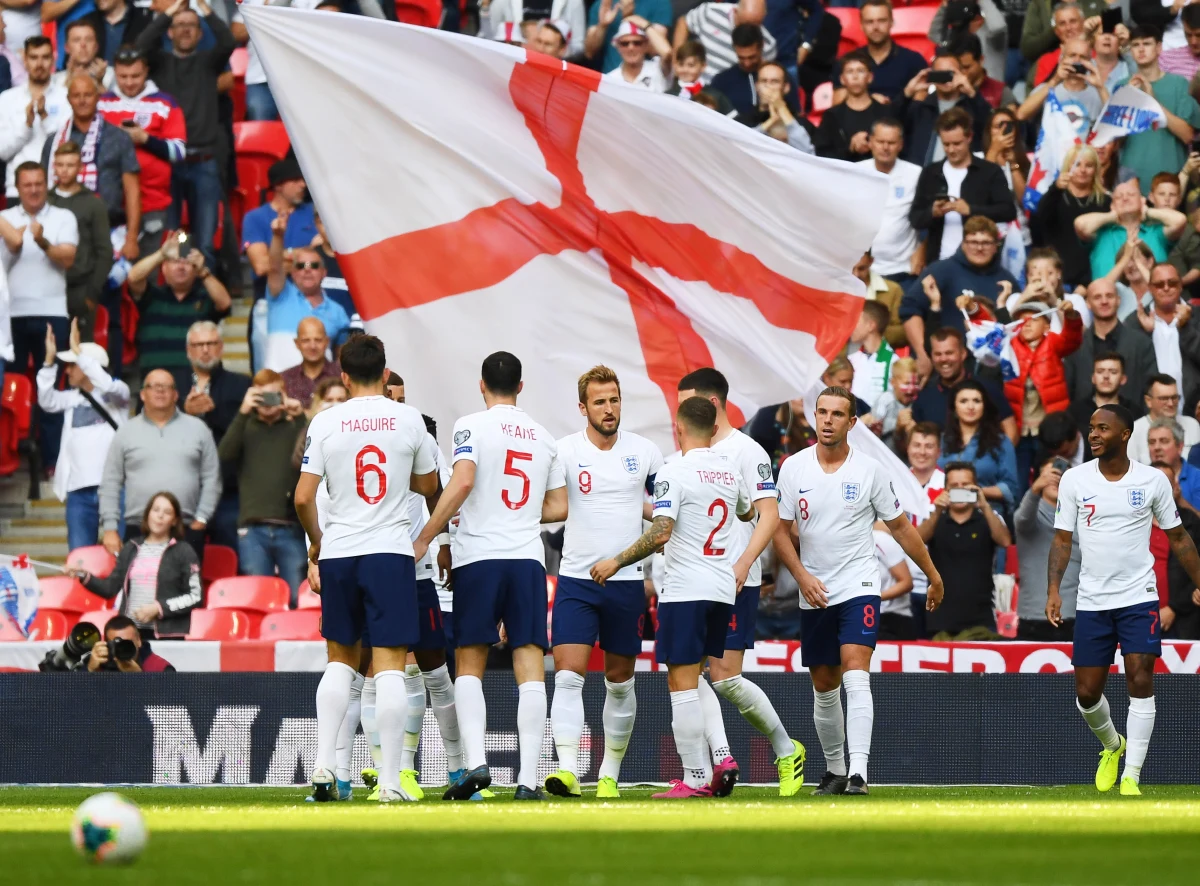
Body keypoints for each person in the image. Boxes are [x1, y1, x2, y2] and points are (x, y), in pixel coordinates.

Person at [773, 385, 942, 796]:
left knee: (856, 672)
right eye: (822, 412)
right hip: (813, 589)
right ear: (814, 417)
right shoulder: (794, 468)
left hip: (859, 585)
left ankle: (860, 772)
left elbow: (902, 528)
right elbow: (778, 532)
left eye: (837, 414)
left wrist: (933, 575)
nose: (828, 420)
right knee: (824, 684)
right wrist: (802, 578)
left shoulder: (870, 471)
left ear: (852, 423)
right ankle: (834, 770)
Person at [412, 351, 566, 802]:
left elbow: (460, 482)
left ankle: (476, 763)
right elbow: (559, 507)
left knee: (471, 659)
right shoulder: (543, 436)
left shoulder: (470, 426)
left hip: (479, 555)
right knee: (530, 662)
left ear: (482, 385)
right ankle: (529, 779)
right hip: (526, 559)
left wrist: (428, 534)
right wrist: (516, 512)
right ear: (521, 386)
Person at [295, 333, 438, 804]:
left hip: (340, 551)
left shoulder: (326, 421)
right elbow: (427, 483)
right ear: (384, 370)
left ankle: (323, 763)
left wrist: (318, 542)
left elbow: (301, 496)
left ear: (343, 373)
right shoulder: (409, 419)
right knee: (391, 668)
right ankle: (391, 781)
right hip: (390, 551)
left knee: (340, 662)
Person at [590, 396, 752, 799]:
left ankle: (695, 777)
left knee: (680, 685)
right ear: (715, 429)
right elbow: (748, 513)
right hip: (721, 586)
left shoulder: (672, 471)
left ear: (677, 428)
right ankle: (722, 756)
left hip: (685, 589)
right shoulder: (731, 469)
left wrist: (616, 561)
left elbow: (661, 530)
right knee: (697, 678)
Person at [1048, 403, 1200, 795]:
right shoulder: (1075, 480)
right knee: (1086, 694)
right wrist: (1053, 590)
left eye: (1102, 428)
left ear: (1125, 435)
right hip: (1092, 600)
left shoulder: (1151, 481)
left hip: (1139, 597)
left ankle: (1131, 775)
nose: (1094, 434)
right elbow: (1062, 540)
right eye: (1092, 427)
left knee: (1140, 676)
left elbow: (1179, 537)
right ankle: (1114, 746)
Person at [674, 367, 803, 796]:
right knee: (689, 675)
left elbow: (768, 514)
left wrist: (746, 562)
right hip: (695, 580)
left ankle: (786, 750)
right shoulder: (688, 455)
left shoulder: (747, 452)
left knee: (725, 677)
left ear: (710, 404)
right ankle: (720, 760)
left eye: (686, 403)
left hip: (733, 580)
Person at [541, 365, 664, 800]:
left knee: (619, 681)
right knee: (568, 677)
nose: (609, 409)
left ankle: (609, 774)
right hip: (576, 579)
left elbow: (663, 511)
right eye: (599, 401)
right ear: (582, 407)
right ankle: (569, 769)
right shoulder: (562, 452)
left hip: (627, 581)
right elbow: (547, 504)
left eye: (614, 400)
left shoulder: (646, 452)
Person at [136, 0, 235, 268]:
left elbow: (227, 42)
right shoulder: (160, 63)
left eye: (192, 26)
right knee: (174, 238)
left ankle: (206, 298)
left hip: (204, 163)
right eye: (179, 25)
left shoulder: (208, 62)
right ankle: (178, 295)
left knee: (204, 241)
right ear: (170, 31)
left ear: (200, 33)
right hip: (170, 165)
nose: (186, 30)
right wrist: (170, 12)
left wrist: (202, 7)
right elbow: (141, 45)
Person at [99, 368, 220, 556]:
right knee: (139, 585)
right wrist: (109, 528)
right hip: (138, 528)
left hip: (186, 528)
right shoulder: (126, 432)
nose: (160, 390)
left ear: (175, 394)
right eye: (153, 386)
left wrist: (201, 519)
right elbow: (110, 482)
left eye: (166, 386)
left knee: (187, 586)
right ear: (142, 395)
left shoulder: (198, 429)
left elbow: (212, 477)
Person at [217, 369, 307, 606]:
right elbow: (224, 454)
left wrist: (299, 416)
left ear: (285, 396)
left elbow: (312, 451)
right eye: (262, 397)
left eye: (274, 396)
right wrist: (243, 411)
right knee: (258, 598)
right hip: (252, 529)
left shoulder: (293, 426)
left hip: (291, 527)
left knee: (298, 596)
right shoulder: (245, 427)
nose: (268, 403)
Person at [37, 318, 129, 551]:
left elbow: (108, 386)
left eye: (73, 365)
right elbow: (46, 400)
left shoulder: (118, 395)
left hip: (115, 488)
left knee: (120, 555)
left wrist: (82, 356)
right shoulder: (71, 397)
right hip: (78, 492)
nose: (67, 370)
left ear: (90, 366)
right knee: (80, 557)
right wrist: (48, 363)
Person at [97, 45, 187, 259]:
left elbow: (180, 152)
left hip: (154, 203)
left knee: (155, 267)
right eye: (123, 76)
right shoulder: (102, 104)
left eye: (135, 76)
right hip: (110, 205)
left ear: (146, 71)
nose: (129, 82)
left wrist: (144, 139)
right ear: (114, 72)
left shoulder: (165, 103)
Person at [72, 491, 201, 637]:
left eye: (167, 512)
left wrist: (158, 608)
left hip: (167, 636)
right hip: (131, 634)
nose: (160, 516)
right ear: (147, 515)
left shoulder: (184, 551)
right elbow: (110, 588)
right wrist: (83, 575)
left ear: (174, 520)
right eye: (156, 510)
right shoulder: (131, 547)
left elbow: (195, 596)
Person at [41, 73, 140, 261]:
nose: (82, 101)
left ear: (97, 97)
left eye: (87, 95)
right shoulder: (54, 141)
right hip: (63, 235)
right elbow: (44, 189)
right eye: (76, 96)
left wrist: (132, 238)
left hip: (110, 232)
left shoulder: (119, 138)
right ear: (69, 99)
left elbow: (132, 191)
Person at [0, 161, 77, 380]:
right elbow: (14, 244)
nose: (34, 190)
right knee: (10, 386)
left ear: (47, 184)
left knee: (51, 385)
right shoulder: (5, 218)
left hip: (52, 314)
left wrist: (42, 241)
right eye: (27, 185)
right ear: (17, 188)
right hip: (10, 316)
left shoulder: (64, 217)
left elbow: (68, 259)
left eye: (39, 184)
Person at [901, 216, 1020, 356]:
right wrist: (923, 355)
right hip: (947, 363)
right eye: (973, 242)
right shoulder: (940, 271)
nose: (979, 248)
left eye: (986, 243)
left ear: (996, 246)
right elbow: (909, 310)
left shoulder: (1007, 280)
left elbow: (1017, 326)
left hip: (992, 363)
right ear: (963, 244)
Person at [909, 110, 1016, 264]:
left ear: (969, 137)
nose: (951, 150)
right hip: (939, 261)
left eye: (957, 143)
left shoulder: (989, 172)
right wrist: (932, 212)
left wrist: (970, 210)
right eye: (946, 144)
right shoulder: (930, 173)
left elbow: (1008, 211)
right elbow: (915, 218)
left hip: (980, 263)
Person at [919, 460, 1011, 637]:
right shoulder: (935, 519)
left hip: (980, 619)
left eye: (966, 485)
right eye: (954, 485)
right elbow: (917, 540)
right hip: (939, 619)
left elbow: (1005, 541)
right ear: (945, 490)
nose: (960, 489)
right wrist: (937, 511)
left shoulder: (987, 518)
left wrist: (984, 505)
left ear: (976, 487)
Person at [126, 229, 231, 378]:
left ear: (194, 269)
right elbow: (133, 278)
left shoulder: (205, 296)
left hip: (199, 382)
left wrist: (203, 272)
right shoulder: (152, 295)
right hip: (156, 385)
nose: (181, 267)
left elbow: (225, 303)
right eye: (175, 262)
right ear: (164, 268)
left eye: (187, 263)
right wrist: (161, 254)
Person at [1005, 300, 1083, 489]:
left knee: (1054, 478)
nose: (1027, 323)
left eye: (1033, 319)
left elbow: (1072, 339)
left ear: (1047, 325)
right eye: (1021, 320)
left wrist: (1071, 317)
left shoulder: (1053, 342)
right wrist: (973, 309)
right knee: (1021, 480)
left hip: (1049, 429)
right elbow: (988, 330)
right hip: (1020, 429)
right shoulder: (1009, 346)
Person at [1120, 26, 1200, 198]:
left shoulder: (1179, 84)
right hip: (1131, 182)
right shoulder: (1121, 86)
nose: (1141, 49)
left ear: (1159, 48)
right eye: (1135, 45)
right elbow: (1113, 142)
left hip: (1171, 183)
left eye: (1146, 43)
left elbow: (1187, 135)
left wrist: (1153, 102)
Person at [265, 217, 351, 372]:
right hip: (278, 388)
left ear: (324, 273)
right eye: (301, 265)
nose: (307, 270)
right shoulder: (279, 296)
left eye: (314, 265)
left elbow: (341, 360)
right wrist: (278, 236)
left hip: (322, 390)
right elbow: (275, 268)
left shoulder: (338, 312)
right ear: (292, 272)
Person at [47, 140, 110, 342]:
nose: (64, 171)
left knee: (81, 355)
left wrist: (92, 294)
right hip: (47, 288)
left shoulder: (93, 203)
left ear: (80, 168)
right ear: (54, 167)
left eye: (70, 165)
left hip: (80, 289)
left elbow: (104, 252)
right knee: (49, 351)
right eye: (60, 165)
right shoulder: (43, 201)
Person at [1064, 279, 1158, 407]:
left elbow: (1151, 391)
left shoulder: (1141, 344)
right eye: (1097, 297)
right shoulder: (1075, 346)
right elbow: (1068, 393)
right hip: (1085, 423)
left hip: (1132, 422)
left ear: (1118, 300)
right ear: (1088, 303)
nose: (1104, 301)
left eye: (1109, 296)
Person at [1015, 455, 1081, 640]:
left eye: (1063, 476)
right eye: (1050, 473)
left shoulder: (1083, 519)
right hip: (1033, 617)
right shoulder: (1030, 514)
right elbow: (1022, 520)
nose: (1056, 478)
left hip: (1075, 616)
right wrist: (1035, 488)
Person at [911, 327, 1018, 439]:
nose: (943, 359)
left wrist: (1002, 456)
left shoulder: (987, 389)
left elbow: (1011, 431)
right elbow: (915, 442)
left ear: (963, 354)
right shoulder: (924, 397)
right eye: (938, 354)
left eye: (949, 353)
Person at [1075, 177, 1187, 281]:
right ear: (1112, 206)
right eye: (1119, 197)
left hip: (1151, 299)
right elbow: (1081, 225)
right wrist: (1111, 216)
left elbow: (1180, 220)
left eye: (1131, 195)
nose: (1125, 198)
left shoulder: (1156, 232)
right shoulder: (1101, 234)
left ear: (1143, 201)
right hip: (1107, 299)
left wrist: (1147, 212)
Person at [1030, 144, 1111, 288]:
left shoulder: (1105, 202)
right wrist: (1055, 189)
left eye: (1089, 165)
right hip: (1057, 279)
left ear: (1096, 170)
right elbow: (1039, 219)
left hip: (1094, 279)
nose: (1083, 170)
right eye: (1077, 164)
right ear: (1068, 167)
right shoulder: (1055, 197)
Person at [0, 36, 69, 202]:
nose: (39, 64)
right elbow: (2, 151)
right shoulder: (7, 98)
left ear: (54, 59)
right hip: (17, 190)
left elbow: (67, 147)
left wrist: (45, 118)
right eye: (34, 57)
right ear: (24, 59)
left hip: (56, 188)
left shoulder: (66, 97)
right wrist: (26, 125)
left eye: (45, 57)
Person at [1124, 262, 1200, 413]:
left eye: (1172, 283)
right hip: (1151, 412)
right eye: (1159, 284)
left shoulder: (1197, 315)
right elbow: (1129, 367)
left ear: (1180, 286)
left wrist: (1186, 328)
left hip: (1194, 409)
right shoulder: (1135, 321)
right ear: (1150, 288)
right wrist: (1145, 334)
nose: (1166, 288)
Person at [897, 52, 992, 167]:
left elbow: (991, 126)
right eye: (940, 74)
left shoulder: (973, 107)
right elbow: (890, 123)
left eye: (950, 73)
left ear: (962, 74)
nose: (946, 79)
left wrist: (972, 93)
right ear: (932, 75)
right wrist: (907, 93)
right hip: (923, 177)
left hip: (963, 176)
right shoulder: (920, 108)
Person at [939, 378, 1020, 512]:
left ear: (984, 406)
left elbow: (1011, 489)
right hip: (946, 514)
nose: (971, 407)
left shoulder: (1001, 442)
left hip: (988, 514)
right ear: (954, 407)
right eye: (964, 401)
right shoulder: (942, 441)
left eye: (976, 401)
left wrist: (977, 492)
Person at [241, 154, 317, 297]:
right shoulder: (255, 218)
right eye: (295, 180)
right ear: (278, 185)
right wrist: (310, 251)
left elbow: (326, 258)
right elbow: (261, 266)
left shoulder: (314, 212)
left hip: (311, 301)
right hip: (269, 302)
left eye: (303, 179)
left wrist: (277, 259)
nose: (303, 185)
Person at [859, 119, 923, 285]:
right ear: (871, 141)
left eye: (891, 143)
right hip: (862, 270)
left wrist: (923, 249)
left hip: (902, 270)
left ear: (900, 145)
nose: (885, 147)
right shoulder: (855, 172)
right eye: (880, 142)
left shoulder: (916, 175)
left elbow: (927, 217)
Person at [830, 0, 926, 104]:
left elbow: (920, 109)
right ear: (861, 26)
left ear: (891, 22)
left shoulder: (914, 61)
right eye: (869, 22)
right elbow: (837, 105)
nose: (875, 27)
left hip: (901, 119)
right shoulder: (847, 62)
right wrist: (869, 100)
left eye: (882, 21)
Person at [710, 23, 801, 123]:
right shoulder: (721, 81)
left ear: (761, 46)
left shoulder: (779, 77)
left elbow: (796, 115)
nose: (747, 63)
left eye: (752, 57)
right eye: (741, 58)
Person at [676, 0, 776, 82]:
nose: (748, 30)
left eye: (755, 25)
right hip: (693, 79)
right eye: (745, 23)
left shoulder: (768, 46)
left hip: (728, 91)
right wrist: (676, 61)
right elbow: (684, 22)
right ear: (736, 11)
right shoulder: (711, 11)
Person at [814, 51, 885, 162]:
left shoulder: (884, 112)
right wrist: (849, 149)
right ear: (842, 79)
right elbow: (822, 153)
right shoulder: (831, 116)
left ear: (870, 77)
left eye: (860, 71)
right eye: (850, 71)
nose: (855, 76)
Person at [1068, 353, 1143, 447]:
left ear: (1123, 379)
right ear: (1093, 378)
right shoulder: (1076, 411)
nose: (1106, 376)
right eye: (1100, 371)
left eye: (1113, 372)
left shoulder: (1134, 412)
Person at [1129, 374, 1200, 462]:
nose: (1170, 403)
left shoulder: (1192, 425)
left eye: (1174, 397)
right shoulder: (1134, 430)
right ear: (1148, 401)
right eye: (1164, 398)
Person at [751, 61, 815, 151]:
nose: (768, 86)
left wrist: (781, 108)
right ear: (757, 86)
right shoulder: (743, 122)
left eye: (774, 82)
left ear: (786, 88)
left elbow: (809, 153)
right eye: (764, 81)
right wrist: (771, 121)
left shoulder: (802, 124)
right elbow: (740, 147)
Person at [281, 316, 341, 409]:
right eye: (306, 340)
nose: (312, 346)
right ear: (297, 343)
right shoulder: (284, 379)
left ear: (326, 342)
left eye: (318, 340)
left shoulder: (342, 375)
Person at [847, 300, 898, 407]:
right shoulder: (851, 358)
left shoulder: (894, 362)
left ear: (871, 325)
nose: (851, 326)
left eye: (856, 320)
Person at [81, 614, 175, 672]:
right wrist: (89, 670)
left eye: (127, 643)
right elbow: (73, 700)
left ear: (139, 640)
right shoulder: (99, 665)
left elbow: (168, 703)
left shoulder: (160, 668)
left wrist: (140, 679)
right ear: (107, 645)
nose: (123, 648)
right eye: (117, 644)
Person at [947, 30, 1014, 110]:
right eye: (958, 68)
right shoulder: (945, 89)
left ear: (981, 60)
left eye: (967, 67)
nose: (962, 73)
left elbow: (1010, 121)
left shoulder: (1001, 91)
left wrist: (973, 95)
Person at [872, 520, 914, 640]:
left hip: (891, 618)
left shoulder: (879, 539)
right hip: (858, 616)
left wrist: (870, 598)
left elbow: (906, 582)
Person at [49, 20, 117, 92]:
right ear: (67, 48)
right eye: (77, 40)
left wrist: (100, 84)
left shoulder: (113, 75)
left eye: (88, 39)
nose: (83, 44)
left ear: (96, 46)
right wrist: (69, 81)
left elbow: (119, 103)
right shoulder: (55, 80)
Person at [1147, 417, 1200, 507]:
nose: (1156, 447)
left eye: (1164, 441)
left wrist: (1179, 500)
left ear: (1180, 447)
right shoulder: (1139, 477)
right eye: (1152, 442)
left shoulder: (1197, 478)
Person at [602, 19, 671, 88]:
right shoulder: (610, 79)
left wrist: (645, 25)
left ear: (646, 45)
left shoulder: (658, 69)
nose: (631, 48)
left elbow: (667, 53)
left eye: (637, 43)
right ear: (618, 47)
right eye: (625, 44)